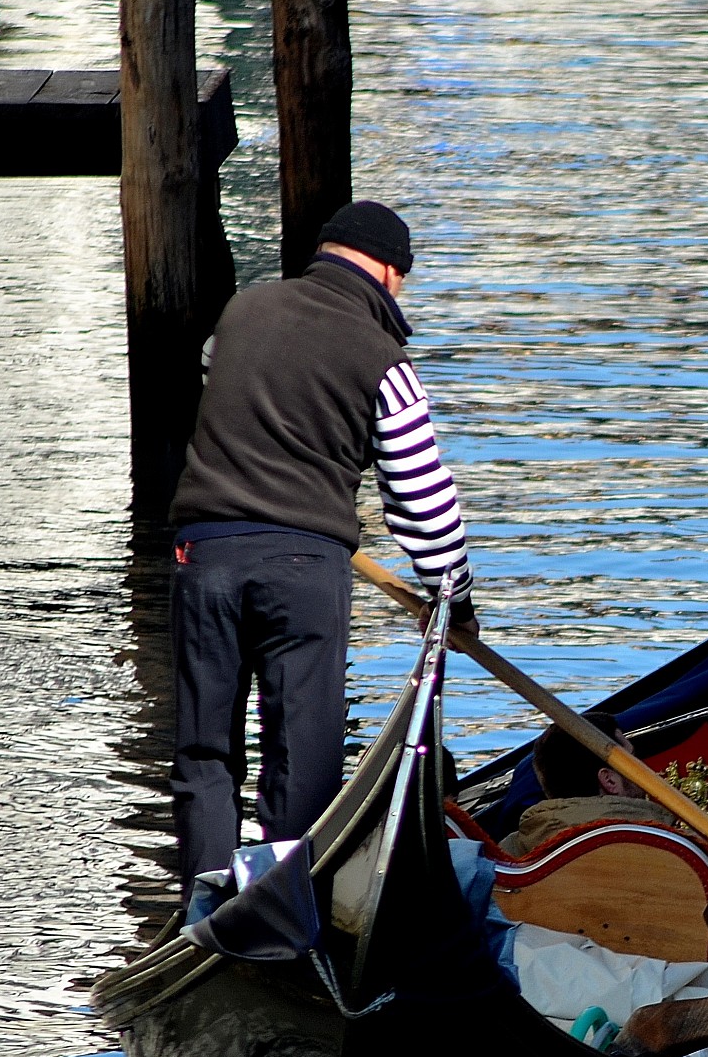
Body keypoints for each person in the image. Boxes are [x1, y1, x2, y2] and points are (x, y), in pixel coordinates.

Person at [167, 200, 479, 894]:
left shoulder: (240, 315)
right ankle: (277, 909)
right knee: (300, 756)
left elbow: (219, 391)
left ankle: (205, 901)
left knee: (203, 752)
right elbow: (422, 501)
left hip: (203, 553)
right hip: (305, 565)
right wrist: (451, 594)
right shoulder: (383, 359)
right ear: (392, 273)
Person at [497, 716, 673, 857]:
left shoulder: (505, 857)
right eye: (634, 759)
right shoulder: (667, 847)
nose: (644, 768)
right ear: (610, 781)